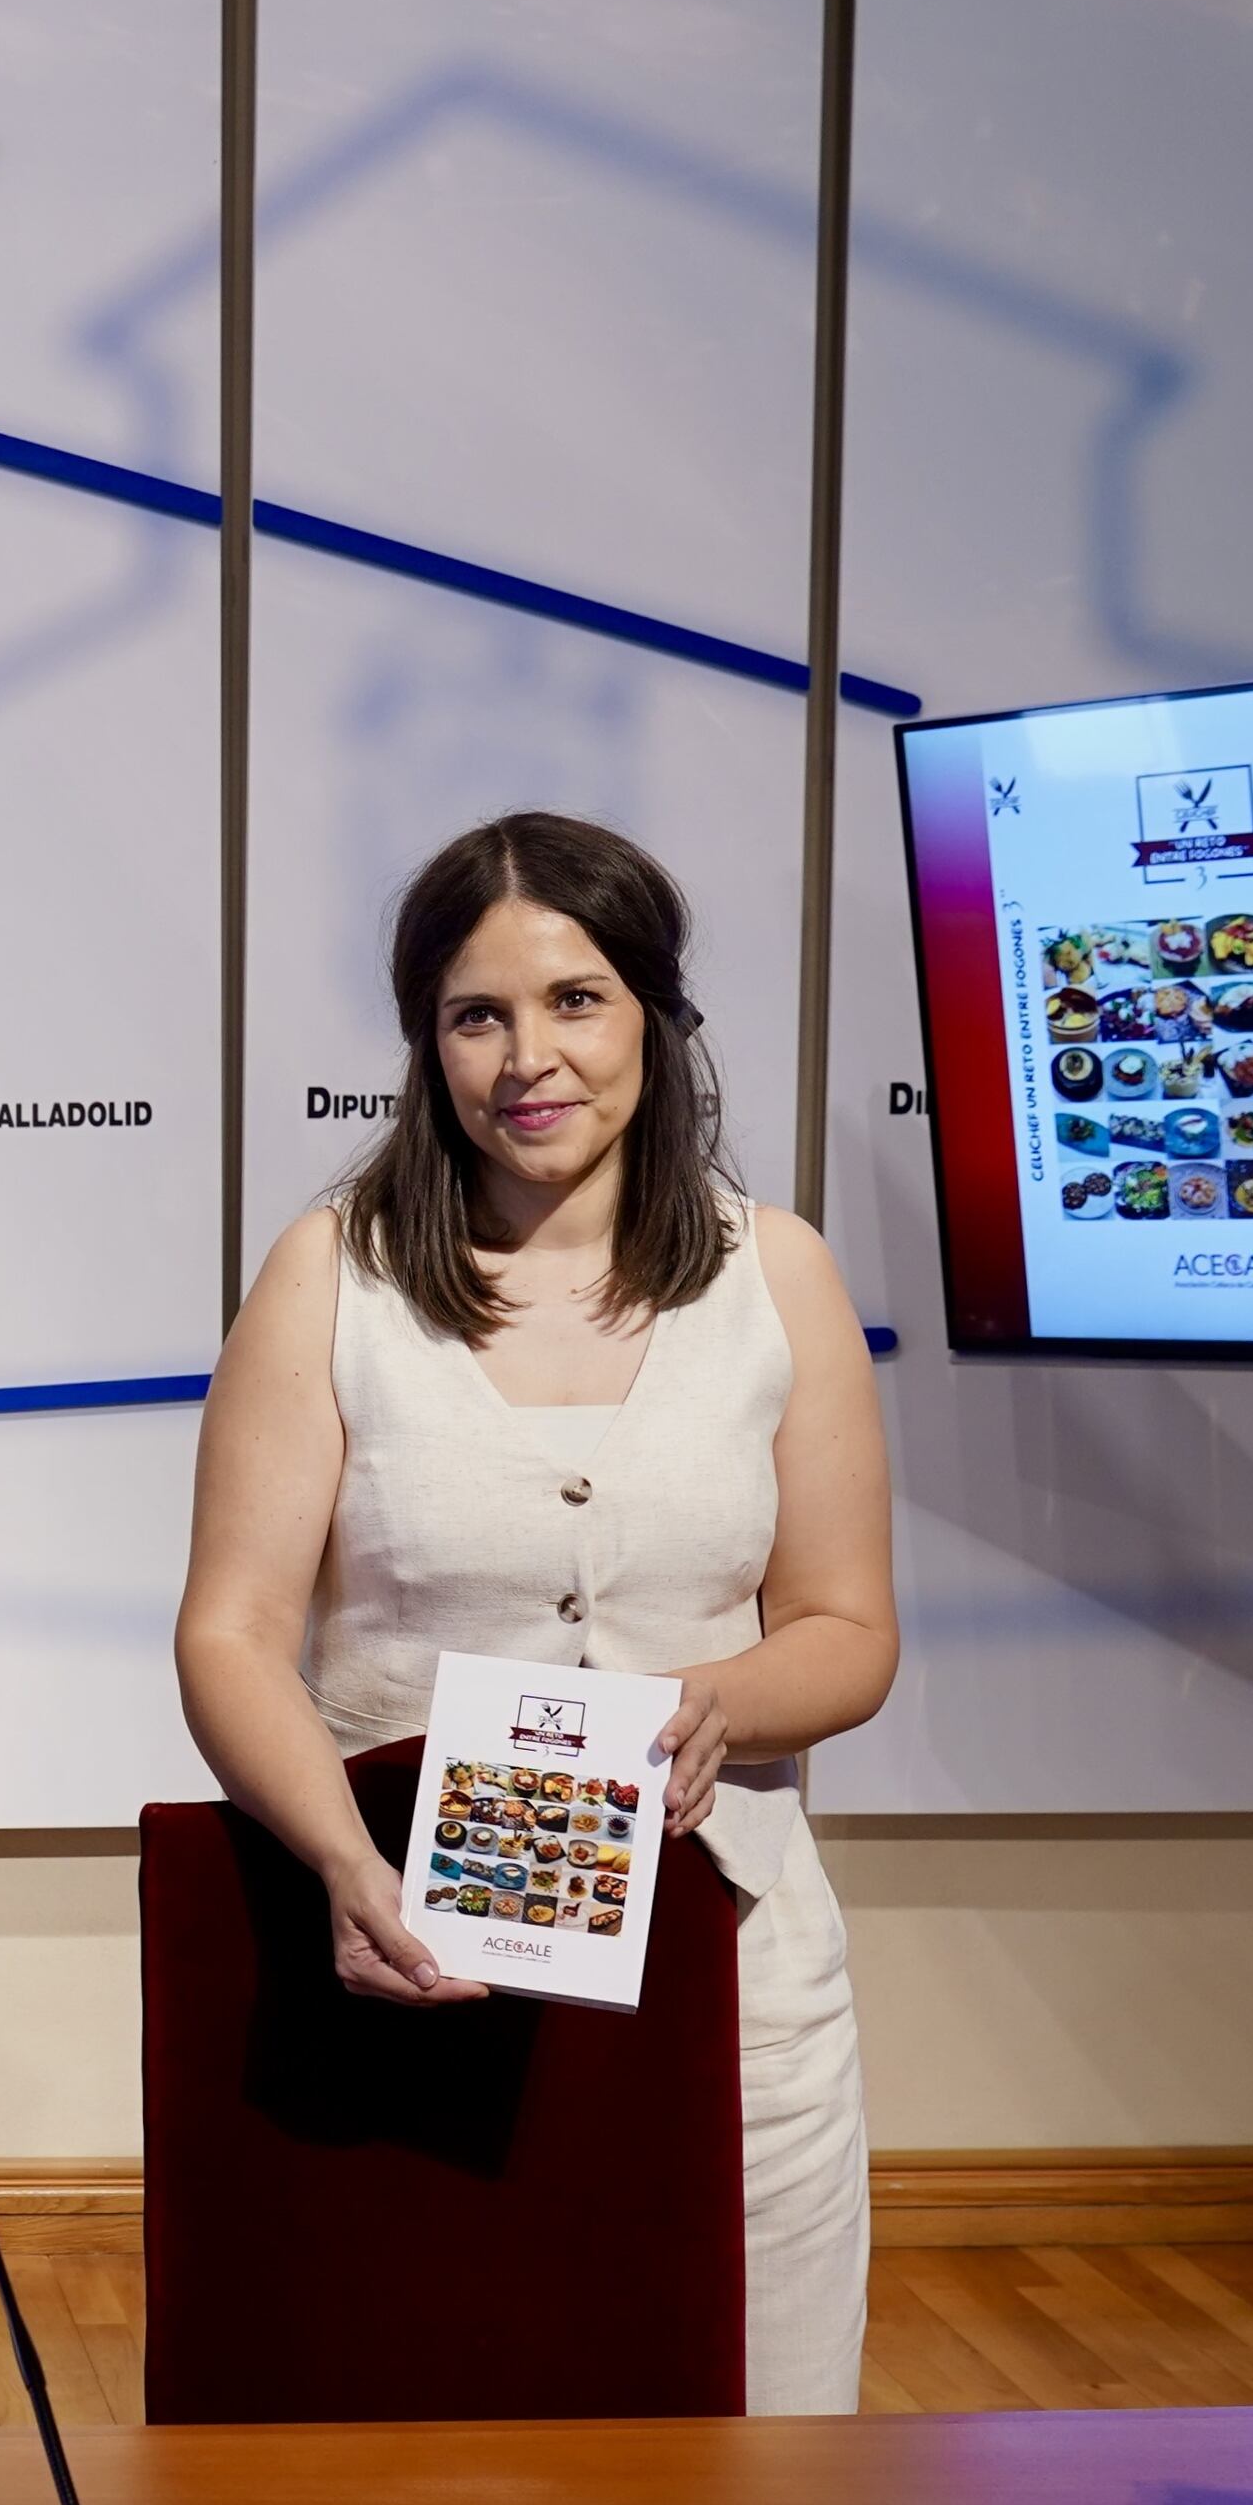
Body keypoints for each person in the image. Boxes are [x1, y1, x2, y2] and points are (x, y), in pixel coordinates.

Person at [173, 813, 895, 2411]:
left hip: (733, 1980)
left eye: (576, 1000)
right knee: (443, 2465)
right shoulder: (331, 1275)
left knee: (764, 2465)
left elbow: (849, 1630)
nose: (528, 1058)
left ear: (654, 1012)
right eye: (476, 1015)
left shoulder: (776, 1273)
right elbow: (230, 1633)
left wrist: (717, 1702)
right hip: (416, 1968)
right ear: (426, 1043)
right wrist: (347, 1867)